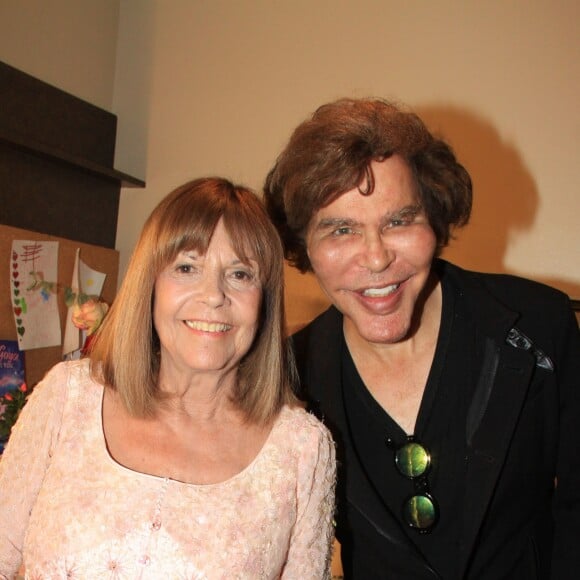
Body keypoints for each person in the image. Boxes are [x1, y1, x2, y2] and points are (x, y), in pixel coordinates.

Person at [263, 98, 580, 579]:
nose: (374, 259)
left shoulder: (539, 328)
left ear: (434, 217)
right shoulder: (286, 378)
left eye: (398, 221)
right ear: (303, 243)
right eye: (341, 230)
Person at [0, 177, 336, 579]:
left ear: (264, 300)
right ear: (151, 285)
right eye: (187, 267)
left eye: (241, 274)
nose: (213, 295)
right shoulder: (66, 397)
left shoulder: (302, 449)